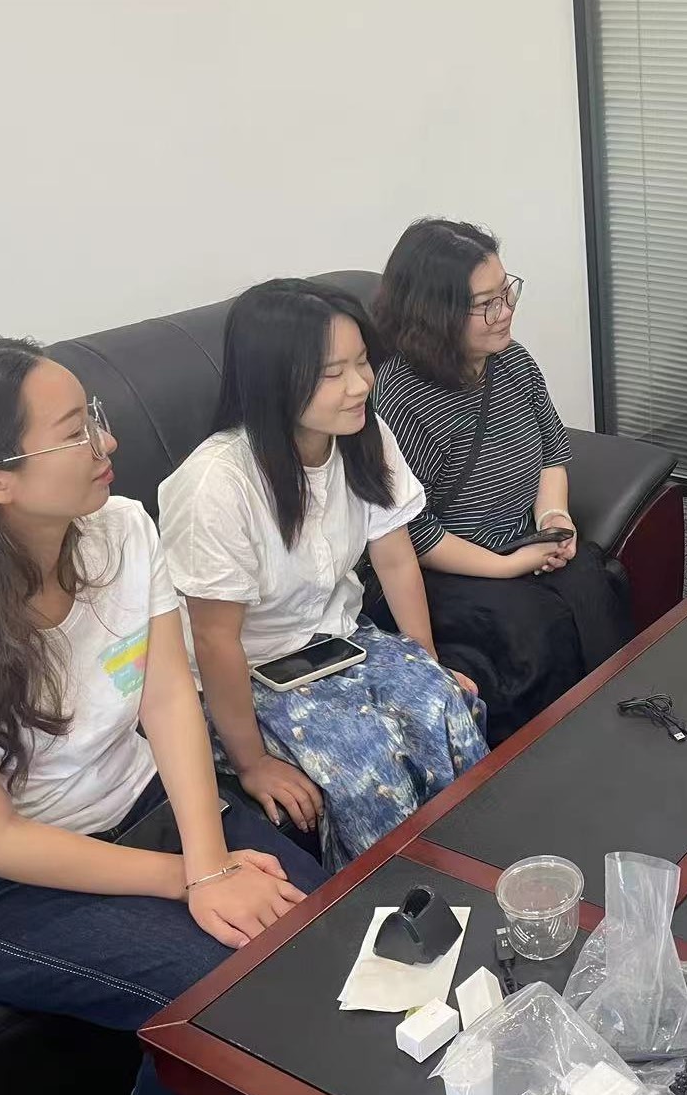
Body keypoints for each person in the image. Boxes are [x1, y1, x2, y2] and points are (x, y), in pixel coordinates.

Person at [0, 337, 330, 1095]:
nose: (107, 442)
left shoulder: (121, 528)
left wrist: (210, 861)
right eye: (76, 431)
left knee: (328, 935)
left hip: (143, 809)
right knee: (242, 997)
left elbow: (169, 699)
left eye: (97, 417)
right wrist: (192, 878)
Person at [158, 279, 488, 869]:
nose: (361, 384)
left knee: (446, 708)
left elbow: (395, 558)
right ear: (274, 381)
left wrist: (428, 663)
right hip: (244, 674)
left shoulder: (364, 435)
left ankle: (478, 867)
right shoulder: (216, 484)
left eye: (362, 362)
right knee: (365, 759)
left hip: (337, 641)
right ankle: (388, 899)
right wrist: (253, 762)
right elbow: (214, 640)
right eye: (333, 373)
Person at [371, 218, 631, 744]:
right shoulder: (402, 399)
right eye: (486, 303)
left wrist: (553, 518)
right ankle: (541, 755)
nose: (506, 311)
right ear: (434, 313)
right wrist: (506, 566)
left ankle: (613, 724)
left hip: (521, 541)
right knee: (531, 629)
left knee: (594, 583)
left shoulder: (512, 361)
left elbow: (552, 452)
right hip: (450, 566)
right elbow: (409, 532)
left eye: (506, 291)